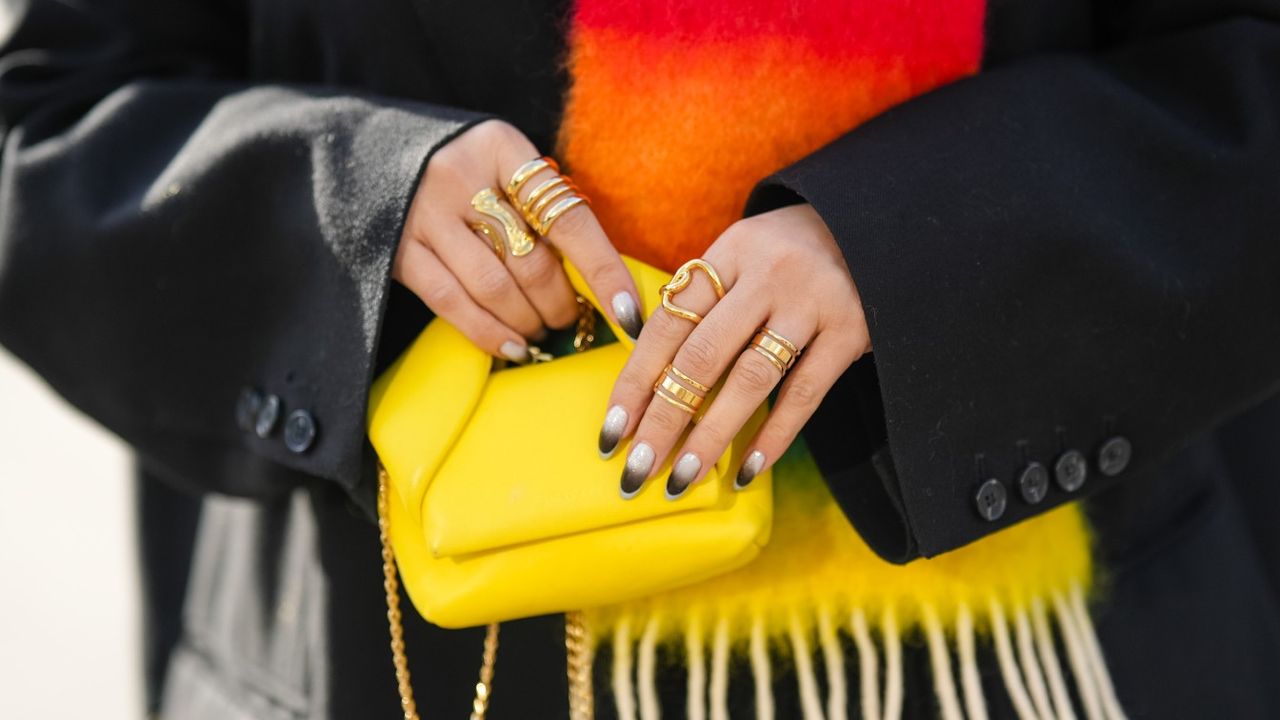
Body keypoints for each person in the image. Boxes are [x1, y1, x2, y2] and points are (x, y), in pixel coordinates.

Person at [1, 0, 1278, 718]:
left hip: (1024, 671)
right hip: (393, 663)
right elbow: (48, 130)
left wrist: (909, 249)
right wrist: (361, 204)